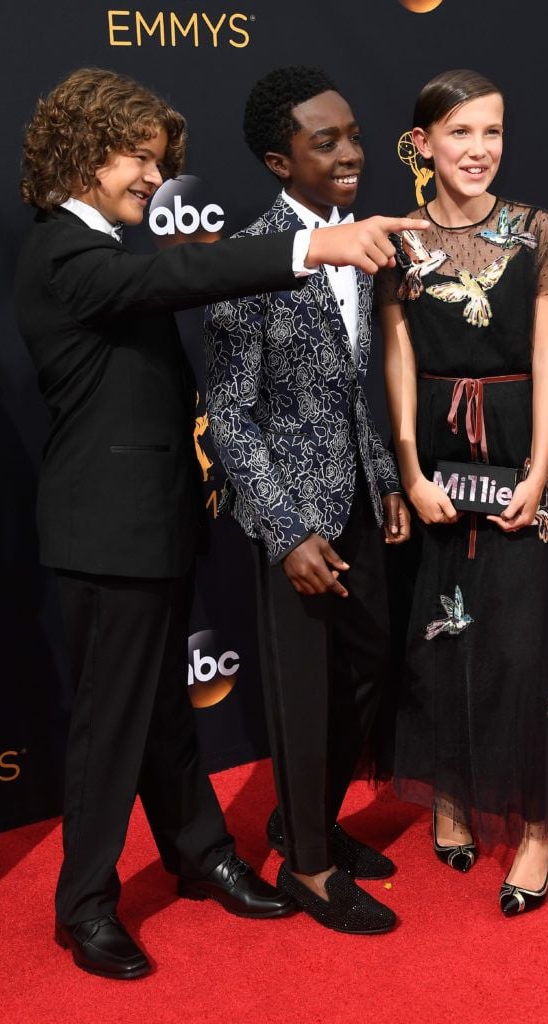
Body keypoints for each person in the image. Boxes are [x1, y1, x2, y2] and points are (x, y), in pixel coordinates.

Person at [14, 66, 424, 979]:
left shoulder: (101, 250)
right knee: (111, 727)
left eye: (159, 164)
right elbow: (190, 271)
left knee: (164, 714)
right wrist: (314, 249)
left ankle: (199, 855)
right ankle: (83, 906)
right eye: (139, 161)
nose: (154, 182)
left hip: (154, 521)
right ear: (85, 154)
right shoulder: (61, 254)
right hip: (103, 531)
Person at [205, 66, 411, 935]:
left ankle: (306, 820)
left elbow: (350, 390)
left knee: (368, 667)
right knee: (301, 690)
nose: (351, 153)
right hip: (292, 514)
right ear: (277, 160)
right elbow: (230, 414)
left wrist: (388, 479)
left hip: (360, 494)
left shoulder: (363, 244)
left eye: (353, 134)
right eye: (324, 142)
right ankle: (310, 869)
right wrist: (287, 529)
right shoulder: (250, 260)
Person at [379, 69, 548, 916]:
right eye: (460, 133)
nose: (479, 150)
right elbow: (393, 354)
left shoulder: (537, 229)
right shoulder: (398, 239)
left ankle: (536, 826)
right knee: (437, 632)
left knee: (520, 644)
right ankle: (452, 793)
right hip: (433, 450)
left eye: (491, 132)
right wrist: (410, 469)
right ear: (421, 144)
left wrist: (537, 471)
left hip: (514, 448)